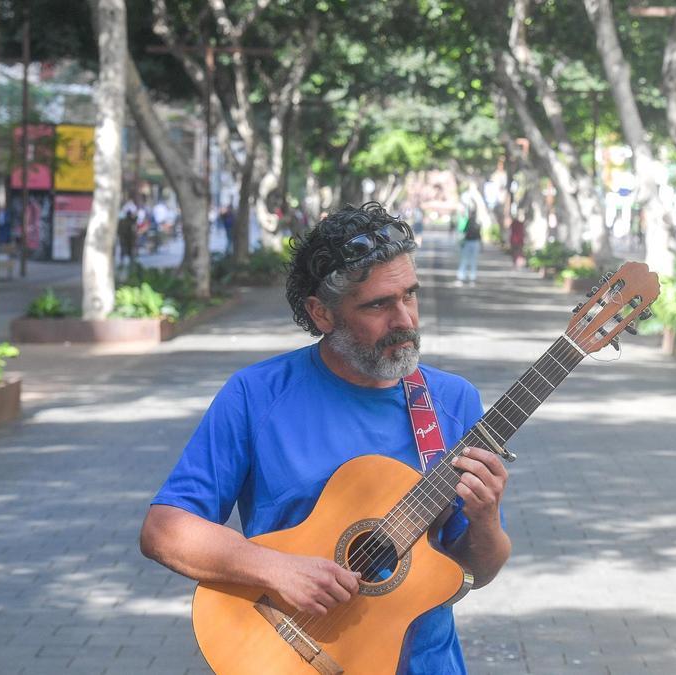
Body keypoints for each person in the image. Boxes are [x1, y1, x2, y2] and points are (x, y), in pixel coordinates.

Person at [140, 202, 511, 673]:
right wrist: (274, 569)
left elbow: (474, 573)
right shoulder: (257, 394)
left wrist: (486, 518)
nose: (406, 320)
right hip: (289, 652)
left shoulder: (452, 401)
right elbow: (164, 529)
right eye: (379, 304)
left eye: (410, 296)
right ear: (322, 313)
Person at [455, 201, 482, 286]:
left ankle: (465, 278)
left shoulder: (471, 221)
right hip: (473, 242)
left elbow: (465, 232)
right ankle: (468, 279)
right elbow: (479, 234)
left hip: (470, 242)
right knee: (470, 261)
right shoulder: (476, 221)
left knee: (466, 260)